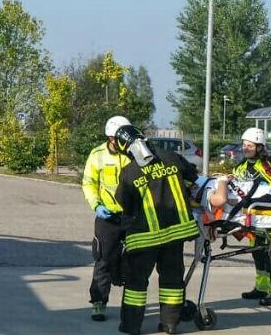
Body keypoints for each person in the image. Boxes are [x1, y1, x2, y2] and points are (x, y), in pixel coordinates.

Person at [113, 123, 199, 335]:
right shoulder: (171, 157)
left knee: (136, 284)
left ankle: (131, 326)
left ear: (126, 149)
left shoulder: (129, 172)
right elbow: (192, 177)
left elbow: (123, 202)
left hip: (144, 238)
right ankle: (170, 324)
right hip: (176, 233)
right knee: (172, 280)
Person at [233, 127, 271, 306]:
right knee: (257, 252)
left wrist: (268, 190)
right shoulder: (240, 167)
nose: (245, 148)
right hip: (253, 217)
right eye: (244, 145)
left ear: (260, 147)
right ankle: (261, 287)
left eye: (250, 145)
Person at [81, 115, 133, 321]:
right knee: (103, 260)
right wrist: (96, 205)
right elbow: (88, 183)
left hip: (131, 216)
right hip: (107, 217)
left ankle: (132, 307)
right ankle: (98, 302)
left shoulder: (134, 154)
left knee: (134, 261)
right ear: (111, 138)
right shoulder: (98, 155)